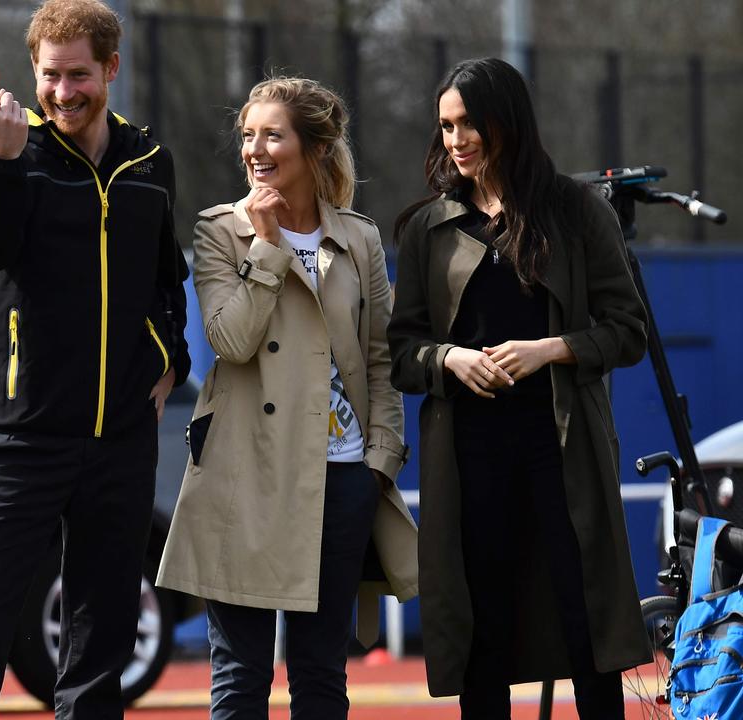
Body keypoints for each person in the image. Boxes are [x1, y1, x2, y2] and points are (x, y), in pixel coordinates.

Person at [0, 0, 191, 717]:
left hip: (121, 440)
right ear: (33, 74)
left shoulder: (149, 161)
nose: (64, 91)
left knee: (100, 634)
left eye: (80, 74)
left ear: (111, 69)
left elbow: (168, 277)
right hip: (22, 437)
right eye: (50, 76)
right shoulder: (2, 152)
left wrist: (170, 356)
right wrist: (5, 163)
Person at [386, 57, 650, 719]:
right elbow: (400, 352)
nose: (456, 139)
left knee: (583, 611)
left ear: (508, 120)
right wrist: (449, 359)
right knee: (483, 626)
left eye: (470, 122)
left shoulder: (576, 211)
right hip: (469, 452)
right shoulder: (428, 227)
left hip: (562, 449)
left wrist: (549, 351)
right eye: (446, 126)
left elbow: (628, 330)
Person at [156, 77, 417, 720]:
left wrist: (378, 460)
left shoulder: (359, 239)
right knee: (241, 677)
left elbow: (381, 359)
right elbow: (231, 340)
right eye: (248, 135)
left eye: (273, 134)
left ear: (316, 148)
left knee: (321, 673)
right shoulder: (221, 231)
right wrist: (269, 248)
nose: (255, 149)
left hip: (340, 479)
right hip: (243, 478)